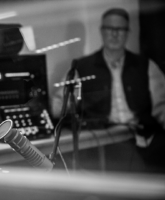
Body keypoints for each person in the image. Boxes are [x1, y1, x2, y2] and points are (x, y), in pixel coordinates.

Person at [53, 8, 165, 172]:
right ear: (102, 31)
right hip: (106, 140)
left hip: (144, 137)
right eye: (110, 29)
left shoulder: (146, 66)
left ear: (127, 33)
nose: (114, 34)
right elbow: (58, 106)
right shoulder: (82, 67)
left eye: (120, 29)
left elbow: (162, 106)